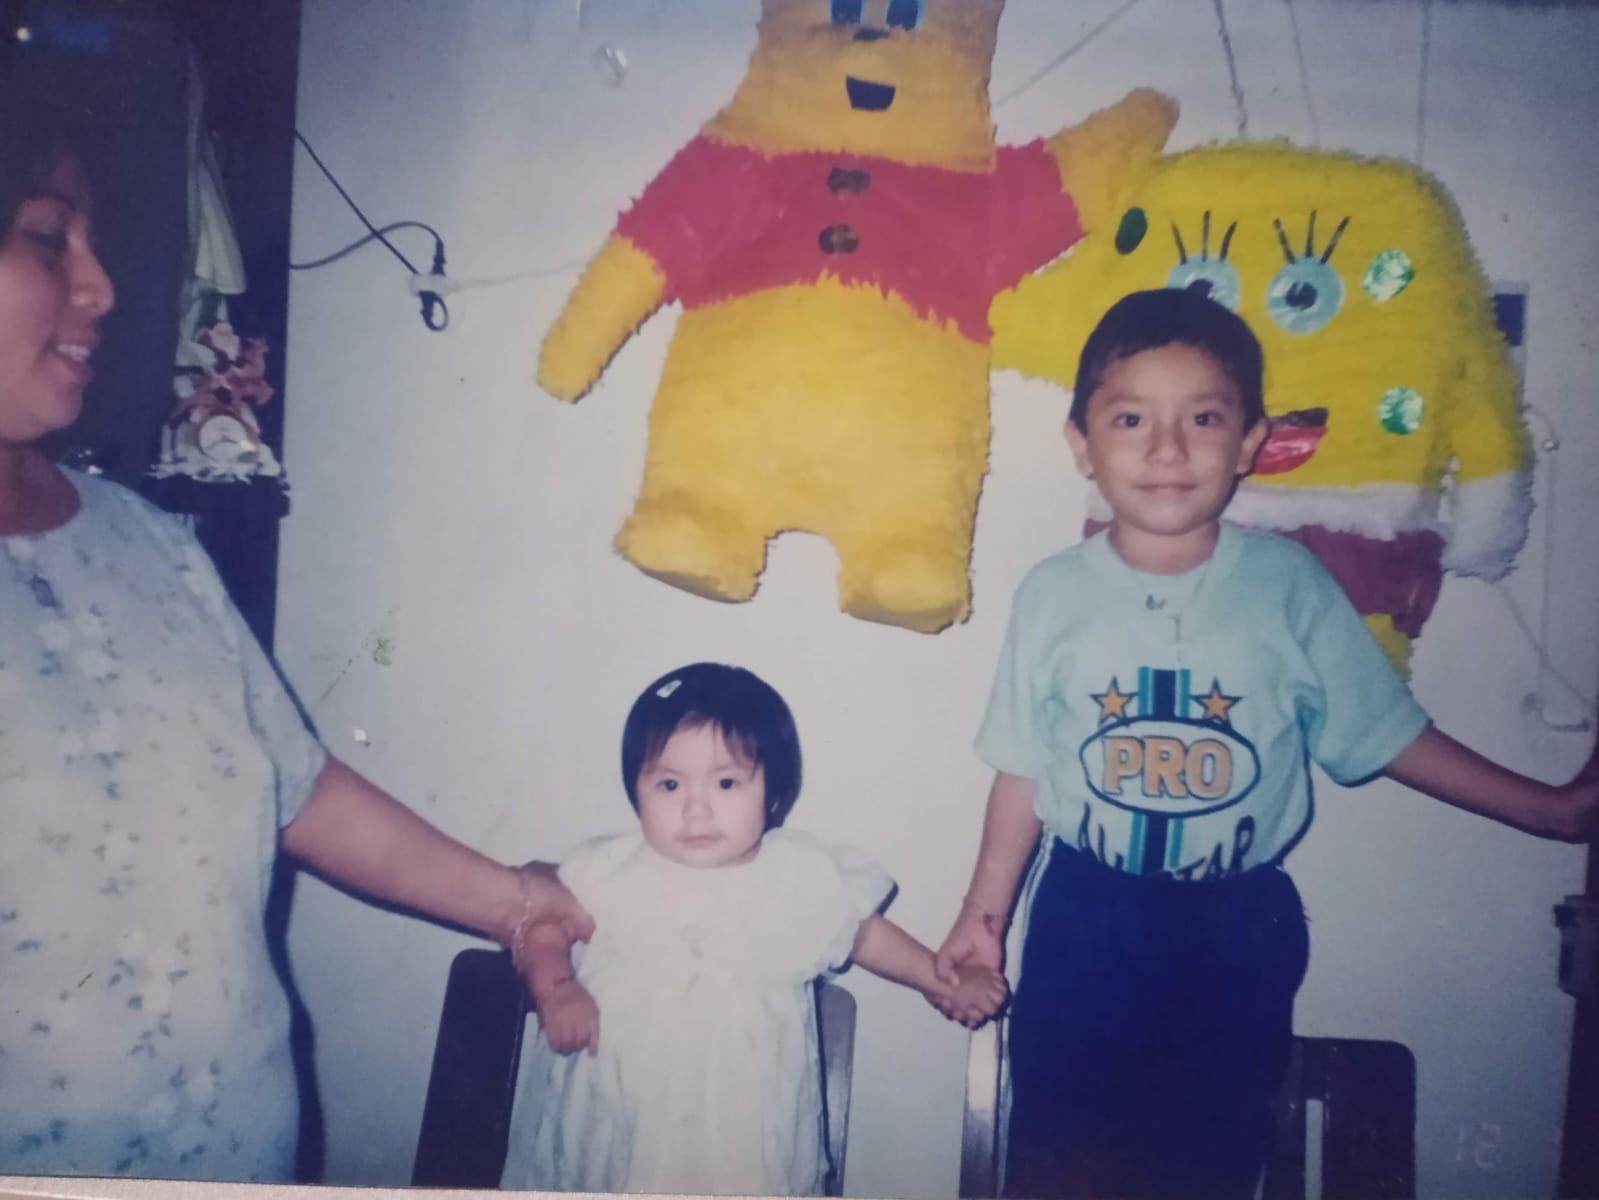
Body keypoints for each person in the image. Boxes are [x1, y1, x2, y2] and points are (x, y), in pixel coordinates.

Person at [0, 105, 591, 1181]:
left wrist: (516, 903)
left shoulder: (143, 538)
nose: (100, 286)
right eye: (46, 235)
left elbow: (295, 786)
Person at [933, 288, 1599, 1200]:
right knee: (1060, 1161)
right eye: (1130, 418)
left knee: (1205, 1166)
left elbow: (1385, 732)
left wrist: (1548, 809)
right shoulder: (1052, 594)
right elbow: (1022, 765)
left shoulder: (1288, 584)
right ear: (1081, 443)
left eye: (1202, 418)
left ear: (1250, 442)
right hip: (1085, 918)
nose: (1167, 448)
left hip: (1237, 925)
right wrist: (982, 921)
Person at [500, 662, 1007, 1196]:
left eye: (726, 783)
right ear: (636, 790)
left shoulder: (800, 880)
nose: (696, 809)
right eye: (669, 784)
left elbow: (863, 936)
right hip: (612, 1125)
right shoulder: (609, 870)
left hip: (742, 1138)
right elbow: (543, 922)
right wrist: (557, 987)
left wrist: (940, 978)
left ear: (773, 791)